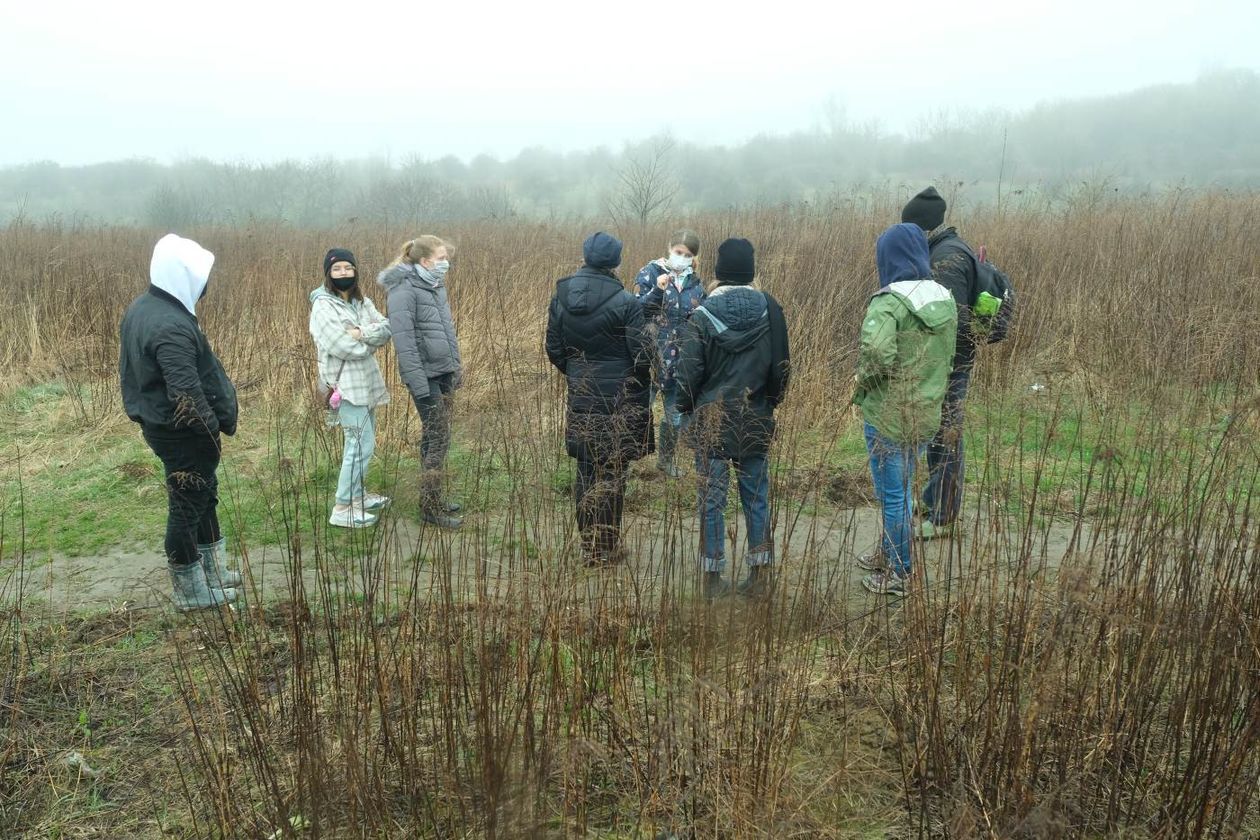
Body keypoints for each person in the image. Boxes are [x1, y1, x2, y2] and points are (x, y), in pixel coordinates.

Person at [119, 234, 240, 611]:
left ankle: (213, 571)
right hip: (181, 433)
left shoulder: (146, 306)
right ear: (182, 276)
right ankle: (190, 590)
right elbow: (186, 395)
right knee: (187, 506)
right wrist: (210, 436)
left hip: (166, 427)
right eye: (201, 278)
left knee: (203, 496)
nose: (206, 285)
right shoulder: (168, 325)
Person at [675, 238, 790, 600]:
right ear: (751, 270)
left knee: (711, 499)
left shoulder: (702, 313)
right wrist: (770, 402)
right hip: (755, 413)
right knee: (756, 496)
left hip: (710, 419)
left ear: (719, 272)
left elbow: (689, 372)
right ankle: (759, 575)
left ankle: (711, 579)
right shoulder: (771, 309)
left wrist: (683, 406)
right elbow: (782, 368)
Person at [853, 223, 958, 596]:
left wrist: (863, 386)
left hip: (888, 413)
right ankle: (888, 550)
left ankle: (900, 574)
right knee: (904, 487)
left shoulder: (888, 302)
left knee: (893, 495)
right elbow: (948, 358)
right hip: (926, 412)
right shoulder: (944, 299)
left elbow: (877, 355)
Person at [545, 232, 654, 566]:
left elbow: (554, 349)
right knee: (614, 474)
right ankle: (608, 547)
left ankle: (589, 548)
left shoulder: (561, 297)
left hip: (581, 395)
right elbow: (642, 356)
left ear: (585, 256)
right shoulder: (627, 302)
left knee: (586, 471)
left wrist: (578, 373)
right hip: (620, 400)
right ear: (616, 262)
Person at [902, 186, 974, 540]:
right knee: (937, 432)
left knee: (947, 435)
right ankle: (934, 499)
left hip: (950, 364)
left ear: (922, 228)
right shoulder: (948, 249)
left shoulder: (946, 259)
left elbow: (952, 321)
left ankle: (944, 518)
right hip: (947, 363)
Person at [378, 236, 464, 529]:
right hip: (424, 377)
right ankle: (429, 507)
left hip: (443, 371)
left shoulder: (433, 285)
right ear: (425, 261)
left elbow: (445, 330)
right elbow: (404, 343)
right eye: (440, 257)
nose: (445, 263)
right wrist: (418, 382)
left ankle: (434, 495)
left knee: (435, 436)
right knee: (439, 436)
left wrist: (455, 366)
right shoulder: (403, 291)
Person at [309, 248, 393, 528]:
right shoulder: (323, 306)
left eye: (348, 268)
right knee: (359, 444)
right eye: (337, 269)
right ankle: (343, 507)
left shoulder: (361, 301)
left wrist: (360, 334)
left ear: (355, 271)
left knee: (364, 442)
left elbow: (385, 328)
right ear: (328, 274)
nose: (343, 273)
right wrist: (365, 341)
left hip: (367, 382)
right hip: (344, 386)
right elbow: (341, 346)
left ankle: (358, 495)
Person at [634, 229, 705, 477]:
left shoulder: (695, 284)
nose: (682, 258)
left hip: (681, 360)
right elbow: (636, 311)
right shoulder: (649, 273)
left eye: (687, 255)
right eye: (678, 252)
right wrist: (658, 290)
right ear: (669, 248)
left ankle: (665, 460)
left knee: (673, 415)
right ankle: (629, 459)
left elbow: (698, 320)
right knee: (639, 410)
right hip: (650, 356)